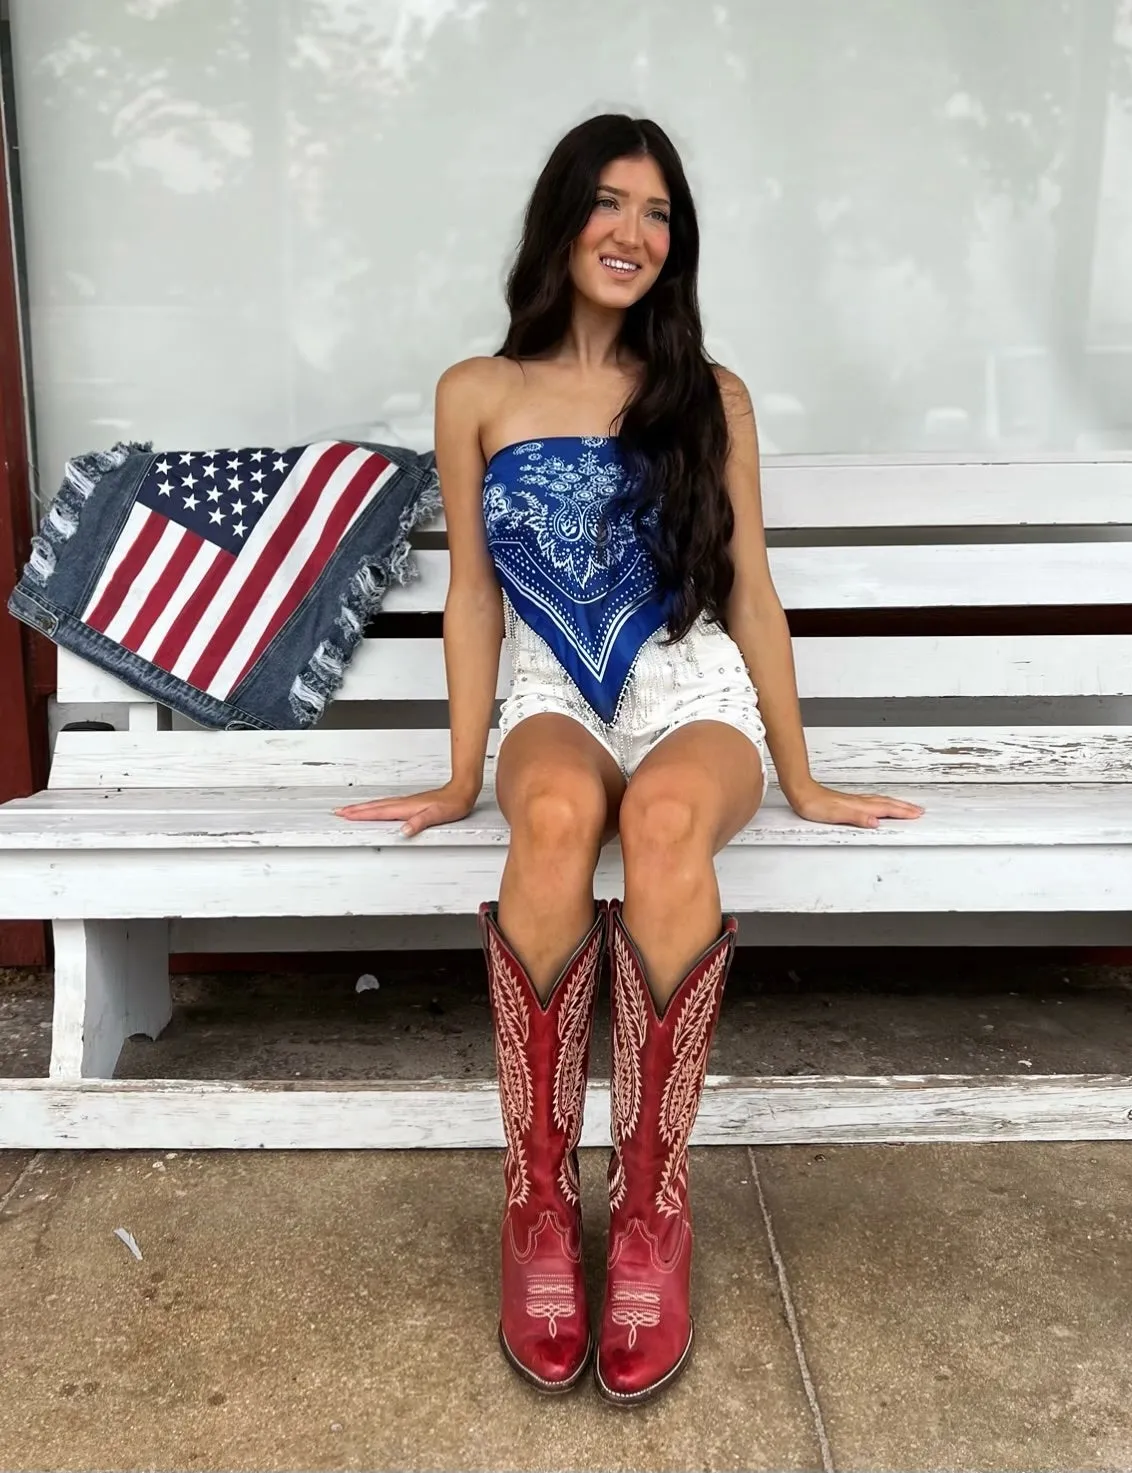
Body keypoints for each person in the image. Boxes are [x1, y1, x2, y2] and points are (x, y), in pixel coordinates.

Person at [337, 113, 923, 1406]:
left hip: (688, 683)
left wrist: (803, 773)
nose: (632, 232)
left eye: (658, 213)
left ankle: (651, 1213)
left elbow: (752, 590)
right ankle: (538, 1208)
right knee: (547, 811)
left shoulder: (708, 396)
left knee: (660, 821)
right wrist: (452, 775)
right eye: (609, 203)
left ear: (677, 243)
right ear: (560, 220)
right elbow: (476, 598)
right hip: (551, 685)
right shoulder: (475, 391)